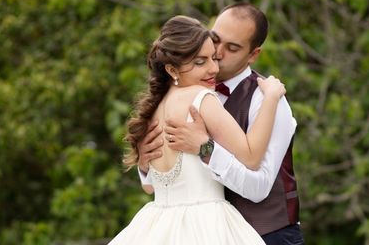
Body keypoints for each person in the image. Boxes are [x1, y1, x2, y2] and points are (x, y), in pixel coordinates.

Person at [109, 15, 286, 244]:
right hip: (207, 225)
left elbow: (150, 187)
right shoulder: (202, 98)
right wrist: (271, 98)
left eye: (213, 57)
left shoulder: (154, 109)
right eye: (200, 62)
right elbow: (251, 157)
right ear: (172, 70)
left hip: (157, 226)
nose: (214, 68)